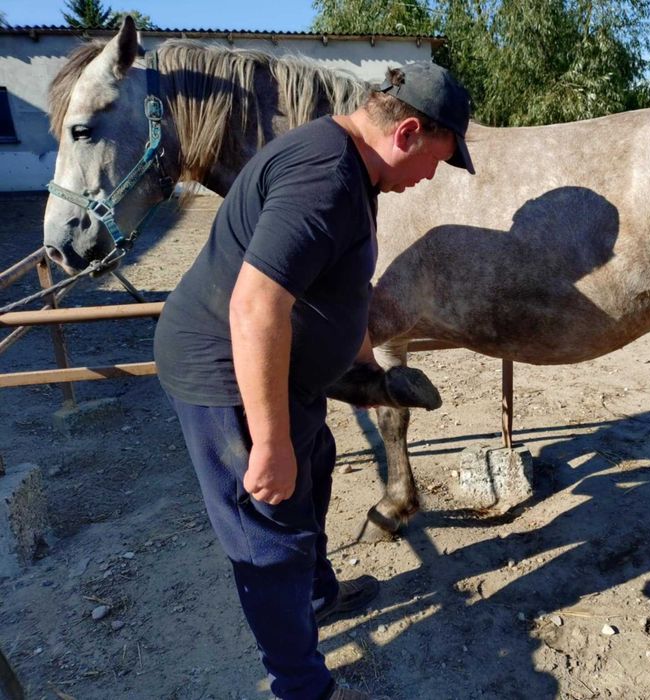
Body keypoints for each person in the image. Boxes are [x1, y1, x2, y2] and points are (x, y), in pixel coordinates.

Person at [153, 62, 474, 700]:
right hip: (227, 374)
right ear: (406, 132)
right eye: (436, 160)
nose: (432, 177)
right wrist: (267, 444)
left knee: (318, 462)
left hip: (281, 368)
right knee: (269, 530)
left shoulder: (356, 169)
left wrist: (362, 374)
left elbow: (339, 287)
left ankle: (319, 592)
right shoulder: (325, 177)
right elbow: (256, 306)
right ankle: (301, 687)